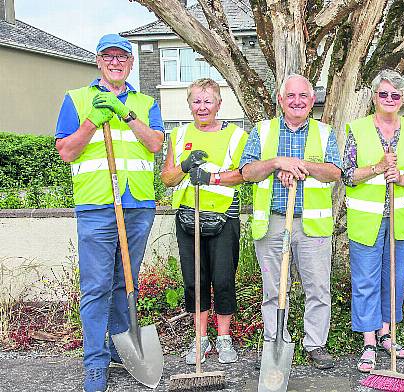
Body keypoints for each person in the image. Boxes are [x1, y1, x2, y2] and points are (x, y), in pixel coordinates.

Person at [55, 34, 164, 392]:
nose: (116, 62)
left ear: (130, 63)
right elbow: (66, 151)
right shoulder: (76, 99)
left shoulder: (146, 102)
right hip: (96, 205)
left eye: (122, 57)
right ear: (98, 61)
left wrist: (125, 114)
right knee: (96, 285)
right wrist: (91, 121)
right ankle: (95, 361)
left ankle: (121, 347)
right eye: (108, 57)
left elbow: (154, 144)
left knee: (125, 280)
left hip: (137, 204)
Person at [240, 74, 342, 369]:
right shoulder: (262, 131)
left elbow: (334, 172)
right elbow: (247, 172)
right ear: (281, 100)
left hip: (312, 226)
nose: (297, 101)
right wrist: (276, 164)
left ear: (312, 101)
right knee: (273, 288)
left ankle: (315, 344)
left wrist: (299, 166)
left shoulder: (324, 133)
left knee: (318, 288)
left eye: (303, 97)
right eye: (291, 96)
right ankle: (275, 341)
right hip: (272, 224)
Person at [343, 69, 404, 373]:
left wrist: (403, 177)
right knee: (366, 279)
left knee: (393, 279)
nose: (390, 99)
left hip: (401, 216)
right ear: (374, 96)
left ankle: (386, 334)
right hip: (366, 219)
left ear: (403, 99)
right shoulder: (358, 129)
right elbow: (348, 175)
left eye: (396, 95)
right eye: (384, 94)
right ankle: (368, 341)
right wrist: (377, 167)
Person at [160, 78, 248, 365]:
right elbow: (167, 178)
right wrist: (185, 167)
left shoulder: (235, 135)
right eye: (196, 101)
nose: (202, 107)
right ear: (188, 104)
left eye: (208, 101)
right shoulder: (179, 134)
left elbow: (244, 174)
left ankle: (223, 338)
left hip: (223, 216)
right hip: (189, 217)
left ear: (219, 104)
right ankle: (200, 339)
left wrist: (211, 177)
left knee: (222, 280)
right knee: (194, 281)